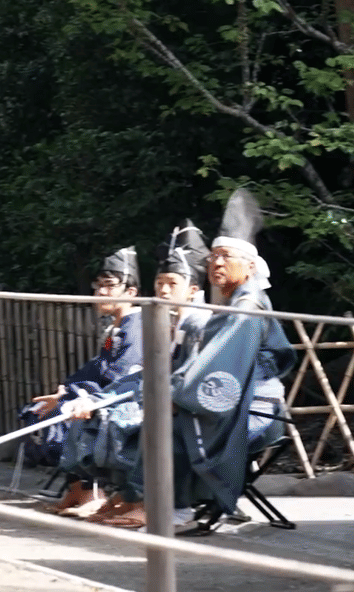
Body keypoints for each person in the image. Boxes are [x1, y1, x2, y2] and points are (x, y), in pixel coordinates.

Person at [57, 222, 212, 523]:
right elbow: (143, 375)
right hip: (160, 399)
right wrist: (91, 397)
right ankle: (126, 495)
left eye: (172, 283)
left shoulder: (199, 324)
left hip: (197, 407)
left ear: (193, 289)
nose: (164, 290)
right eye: (160, 282)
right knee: (106, 418)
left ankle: (145, 499)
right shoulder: (168, 321)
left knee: (133, 423)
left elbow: (192, 377)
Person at [161, 189, 296, 530]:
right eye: (214, 257)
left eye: (226, 257)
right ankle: (149, 501)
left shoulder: (247, 307)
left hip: (256, 409)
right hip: (237, 397)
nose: (216, 263)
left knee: (174, 425)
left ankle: (180, 508)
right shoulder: (235, 302)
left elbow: (221, 362)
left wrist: (179, 393)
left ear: (249, 267)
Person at [20, 246, 144, 514]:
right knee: (40, 411)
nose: (100, 292)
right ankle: (78, 490)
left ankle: (90, 492)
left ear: (131, 293)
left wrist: (72, 396)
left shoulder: (137, 329)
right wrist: (65, 391)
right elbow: (94, 369)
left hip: (123, 401)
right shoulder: (117, 327)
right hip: (96, 395)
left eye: (109, 286)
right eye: (98, 285)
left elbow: (121, 376)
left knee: (70, 417)